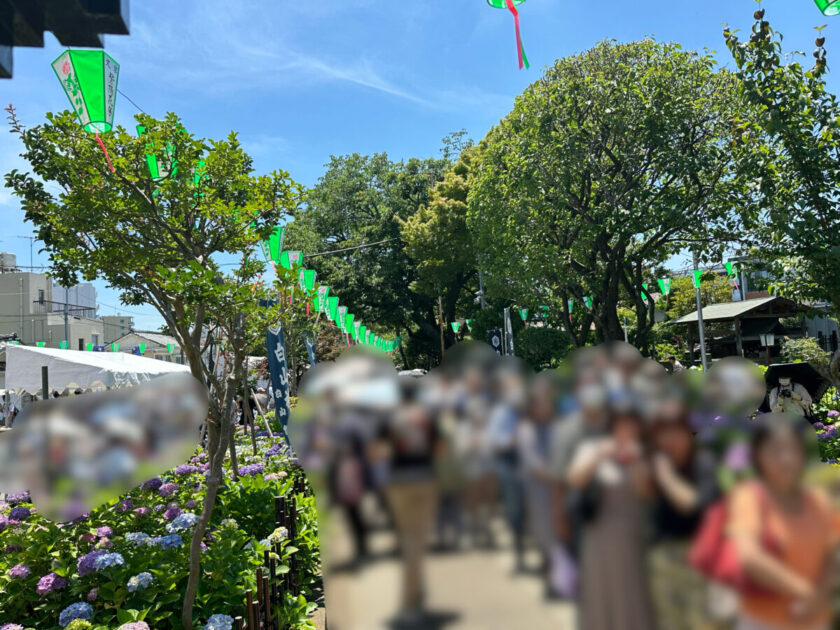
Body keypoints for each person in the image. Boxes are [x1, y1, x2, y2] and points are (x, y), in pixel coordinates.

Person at [727, 415, 838, 630]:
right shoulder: (749, 497)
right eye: (775, 450)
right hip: (763, 621)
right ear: (758, 455)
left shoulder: (817, 500)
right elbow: (750, 558)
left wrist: (818, 599)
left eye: (792, 449)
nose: (786, 458)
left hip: (816, 620)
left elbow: (831, 554)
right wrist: (806, 592)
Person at [566, 407, 656, 630]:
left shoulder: (645, 453)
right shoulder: (592, 447)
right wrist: (599, 456)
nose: (627, 430)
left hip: (633, 537)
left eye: (632, 424)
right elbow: (574, 479)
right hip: (599, 537)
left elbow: (646, 493)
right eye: (622, 424)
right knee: (601, 592)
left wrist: (636, 462)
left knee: (633, 592)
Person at [647, 397, 723, 630]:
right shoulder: (653, 465)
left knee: (703, 624)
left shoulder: (704, 463)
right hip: (664, 559)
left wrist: (666, 477)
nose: (671, 440)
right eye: (664, 433)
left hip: (701, 558)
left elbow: (695, 507)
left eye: (677, 432)